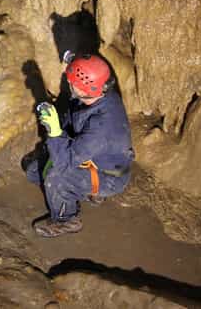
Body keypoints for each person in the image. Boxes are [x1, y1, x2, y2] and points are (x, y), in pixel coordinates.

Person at [25, 52, 134, 237]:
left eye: (72, 81)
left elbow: (64, 163)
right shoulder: (98, 94)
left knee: (55, 177)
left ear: (84, 88)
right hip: (98, 157)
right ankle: (85, 191)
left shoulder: (102, 127)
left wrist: (54, 131)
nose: (68, 82)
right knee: (34, 171)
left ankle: (66, 221)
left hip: (111, 174)